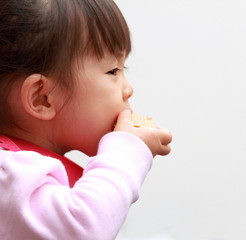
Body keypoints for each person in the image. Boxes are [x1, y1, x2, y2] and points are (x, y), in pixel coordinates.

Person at [0, 0, 172, 239]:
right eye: (113, 71)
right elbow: (82, 229)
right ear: (43, 98)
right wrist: (124, 153)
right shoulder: (7, 176)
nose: (128, 89)